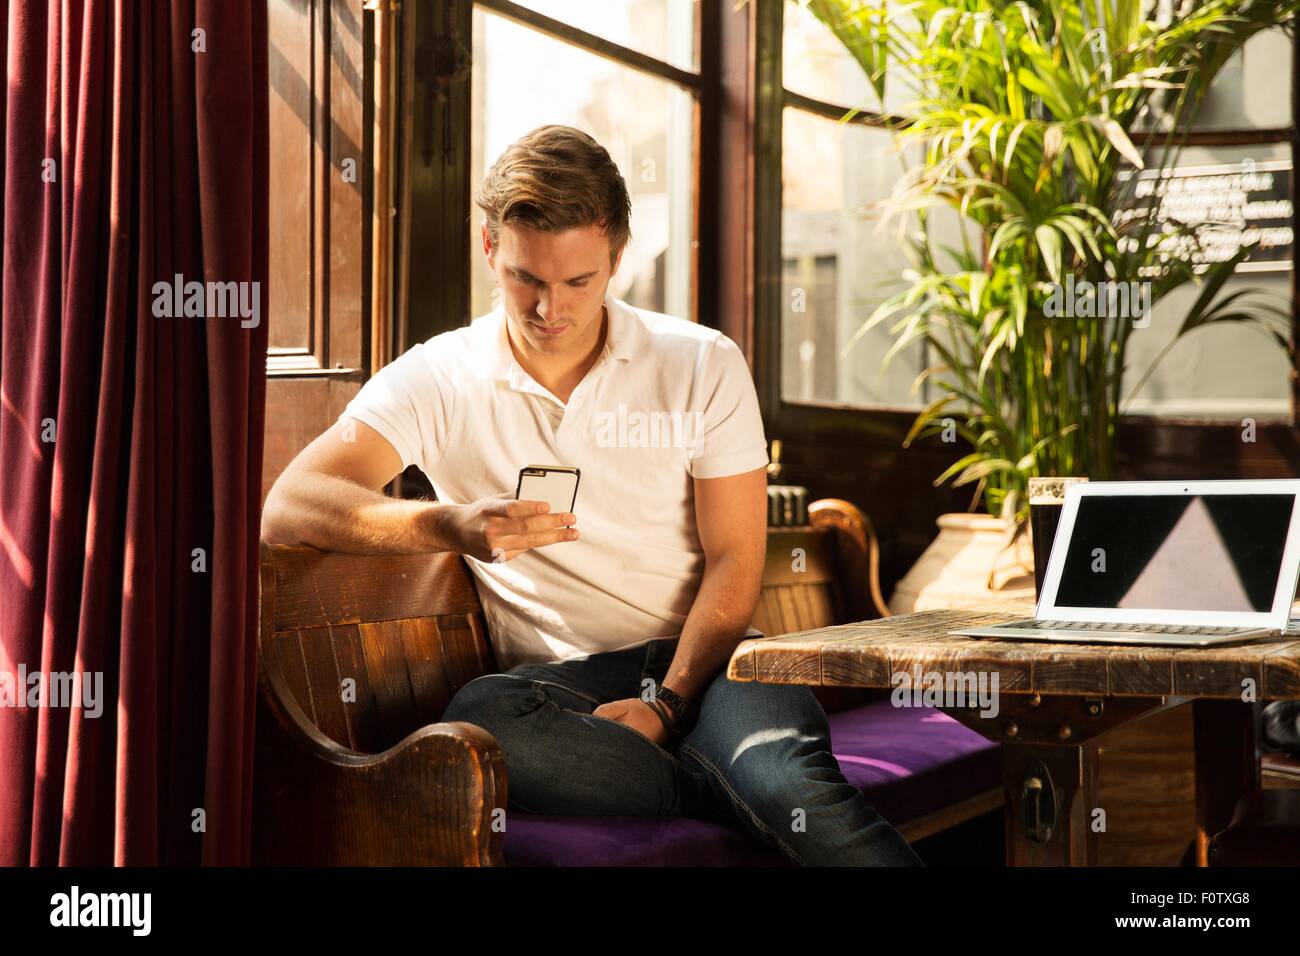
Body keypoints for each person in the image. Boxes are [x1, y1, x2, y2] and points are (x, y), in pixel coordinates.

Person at [262, 124, 921, 866]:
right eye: (526, 279)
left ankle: (736, 774)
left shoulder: (701, 362)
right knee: (482, 713)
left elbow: (737, 561)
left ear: (615, 259)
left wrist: (666, 706)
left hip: (715, 665)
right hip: (565, 696)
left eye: (578, 282)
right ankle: (719, 779)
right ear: (490, 249)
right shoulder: (440, 376)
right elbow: (293, 501)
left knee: (792, 787)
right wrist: (448, 523)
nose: (550, 309)